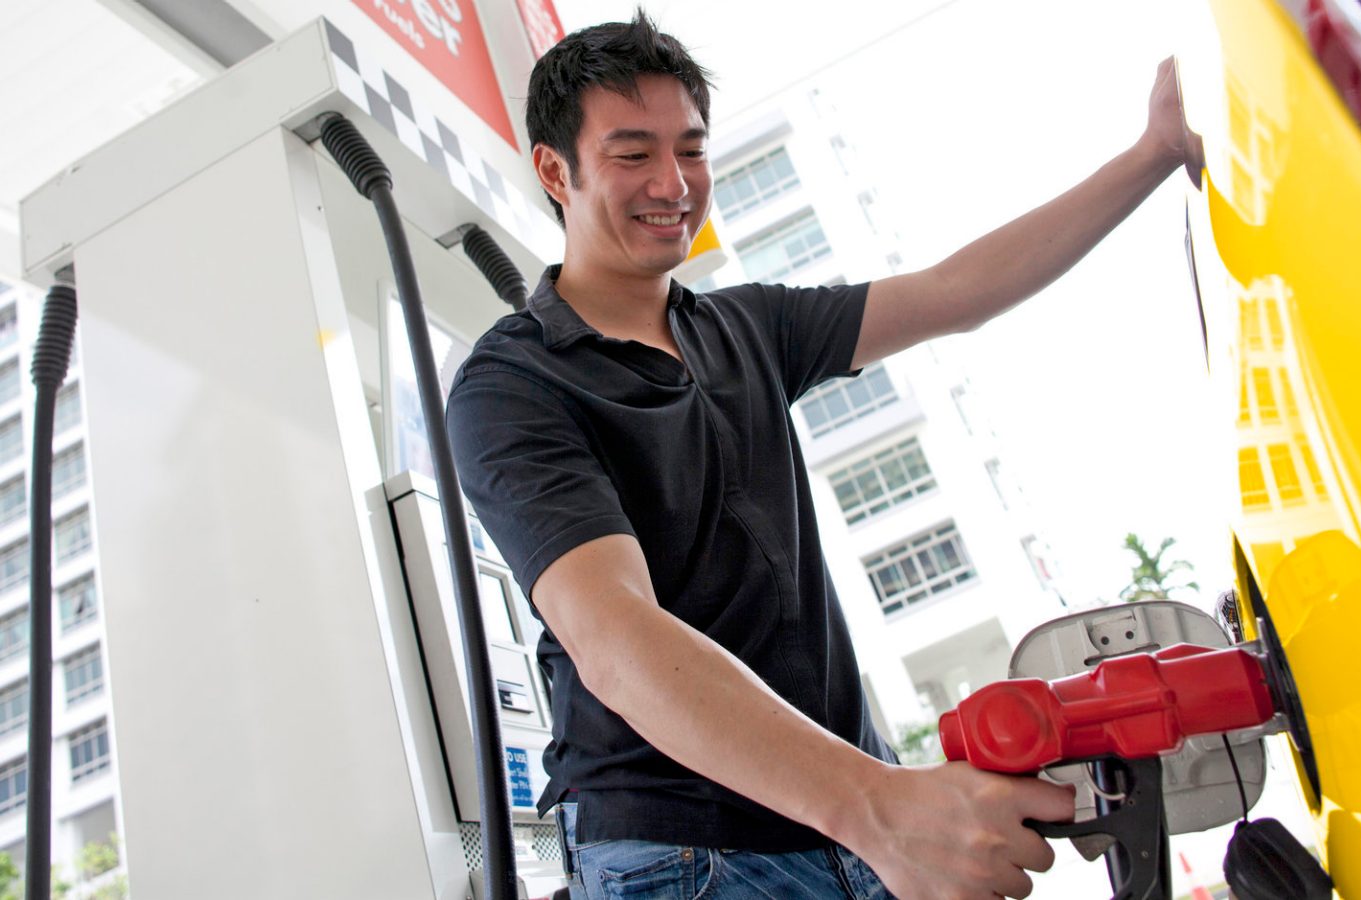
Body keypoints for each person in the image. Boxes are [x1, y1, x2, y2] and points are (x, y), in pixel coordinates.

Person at [447, 11, 1184, 899]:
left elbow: (955, 291)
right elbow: (615, 636)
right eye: (633, 154)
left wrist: (1154, 152)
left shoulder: (746, 327)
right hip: (682, 853)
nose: (673, 183)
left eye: (691, 149)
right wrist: (876, 806)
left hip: (848, 819)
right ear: (554, 170)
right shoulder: (513, 382)